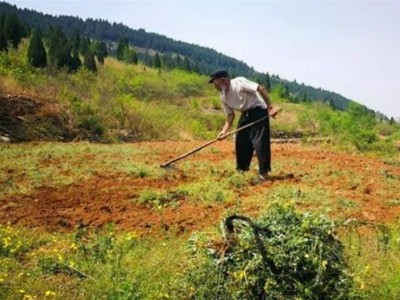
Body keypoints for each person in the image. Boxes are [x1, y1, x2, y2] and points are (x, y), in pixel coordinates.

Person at [208, 70, 278, 180]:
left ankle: (264, 173)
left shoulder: (239, 82)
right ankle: (241, 170)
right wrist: (224, 131)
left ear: (222, 80)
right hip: (245, 113)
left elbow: (261, 88)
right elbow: (230, 115)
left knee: (259, 141)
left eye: (214, 82)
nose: (214, 85)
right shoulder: (223, 96)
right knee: (241, 140)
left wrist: (270, 107)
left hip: (258, 109)